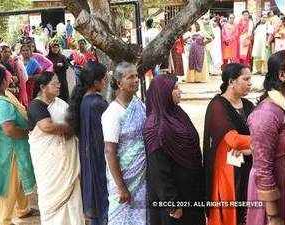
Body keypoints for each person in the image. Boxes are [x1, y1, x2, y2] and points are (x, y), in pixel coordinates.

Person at [144, 75, 205, 225]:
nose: (180, 91)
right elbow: (158, 170)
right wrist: (171, 203)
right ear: (164, 92)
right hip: (174, 199)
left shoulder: (177, 113)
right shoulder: (155, 127)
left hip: (191, 192)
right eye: (175, 88)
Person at [27, 71, 85, 225]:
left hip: (67, 162)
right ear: (43, 87)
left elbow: (71, 121)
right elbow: (47, 127)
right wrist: (68, 128)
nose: (59, 85)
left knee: (71, 195)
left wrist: (69, 128)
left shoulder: (61, 104)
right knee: (51, 198)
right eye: (54, 83)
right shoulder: (36, 105)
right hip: (48, 163)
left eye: (58, 82)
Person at [0, 66, 37, 225]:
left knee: (18, 180)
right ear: (1, 82)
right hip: (10, 151)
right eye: (7, 77)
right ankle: (4, 220)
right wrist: (28, 132)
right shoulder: (2, 104)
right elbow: (9, 129)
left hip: (8, 149)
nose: (10, 78)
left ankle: (23, 209)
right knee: (9, 185)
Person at [203, 63, 254, 225]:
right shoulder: (217, 106)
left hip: (250, 165)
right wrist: (263, 143)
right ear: (231, 81)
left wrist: (251, 148)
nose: (250, 83)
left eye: (250, 79)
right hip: (228, 170)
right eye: (245, 79)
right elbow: (232, 139)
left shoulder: (248, 105)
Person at [101, 62, 148, 225]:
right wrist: (121, 187)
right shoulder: (112, 113)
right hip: (123, 177)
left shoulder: (139, 104)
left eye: (136, 76)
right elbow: (109, 151)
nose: (135, 80)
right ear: (119, 83)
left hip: (142, 176)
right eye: (130, 77)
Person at [67, 62, 109, 225]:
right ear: (96, 82)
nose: (105, 83)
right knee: (101, 195)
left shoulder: (84, 100)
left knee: (93, 193)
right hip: (98, 155)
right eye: (103, 80)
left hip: (88, 154)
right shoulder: (97, 104)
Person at [246, 50, 285, 225]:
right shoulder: (266, 115)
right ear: (283, 75)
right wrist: (274, 217)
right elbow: (263, 169)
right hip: (273, 202)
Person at [0, 44, 29, 108]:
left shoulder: (14, 63)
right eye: (5, 52)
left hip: (12, 91)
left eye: (8, 52)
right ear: (0, 53)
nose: (7, 54)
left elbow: (21, 78)